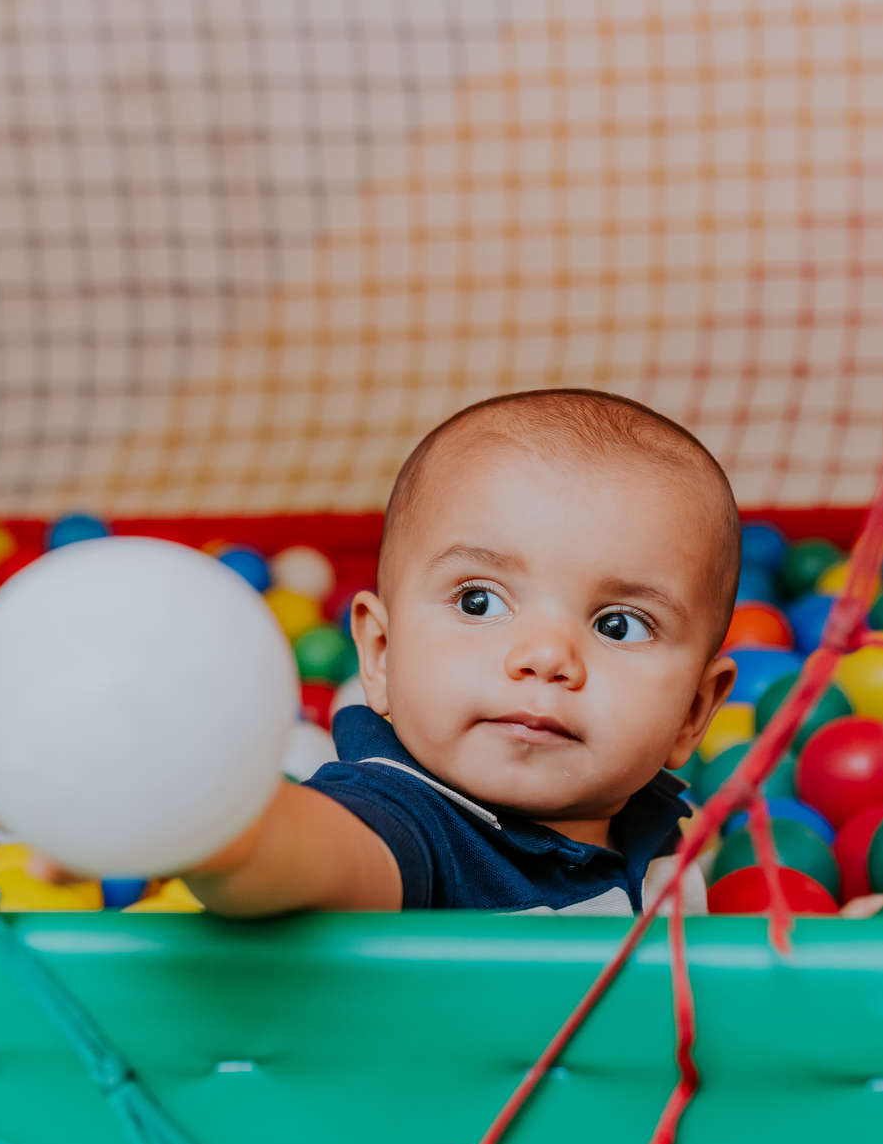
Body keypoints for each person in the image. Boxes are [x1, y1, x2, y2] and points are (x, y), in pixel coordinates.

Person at [184, 389, 739, 917]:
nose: (546, 656)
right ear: (380, 653)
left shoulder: (652, 820)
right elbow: (317, 854)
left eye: (618, 626)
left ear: (693, 713)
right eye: (479, 601)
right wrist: (225, 833)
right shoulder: (412, 821)